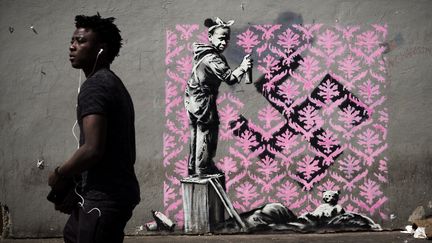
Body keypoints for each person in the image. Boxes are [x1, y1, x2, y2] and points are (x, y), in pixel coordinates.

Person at [48, 14, 140, 243]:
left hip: (103, 198)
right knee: (71, 235)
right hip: (106, 194)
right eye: (72, 40)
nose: (72, 46)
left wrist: (60, 174)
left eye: (81, 41)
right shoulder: (112, 82)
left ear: (102, 49)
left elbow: (92, 149)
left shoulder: (95, 87)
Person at [185, 17, 253, 176]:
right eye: (221, 38)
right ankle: (203, 168)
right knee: (207, 131)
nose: (224, 42)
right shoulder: (213, 58)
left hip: (192, 98)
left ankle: (193, 167)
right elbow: (230, 78)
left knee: (196, 132)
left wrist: (241, 70)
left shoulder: (203, 53)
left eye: (227, 39)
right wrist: (243, 68)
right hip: (203, 99)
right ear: (210, 37)